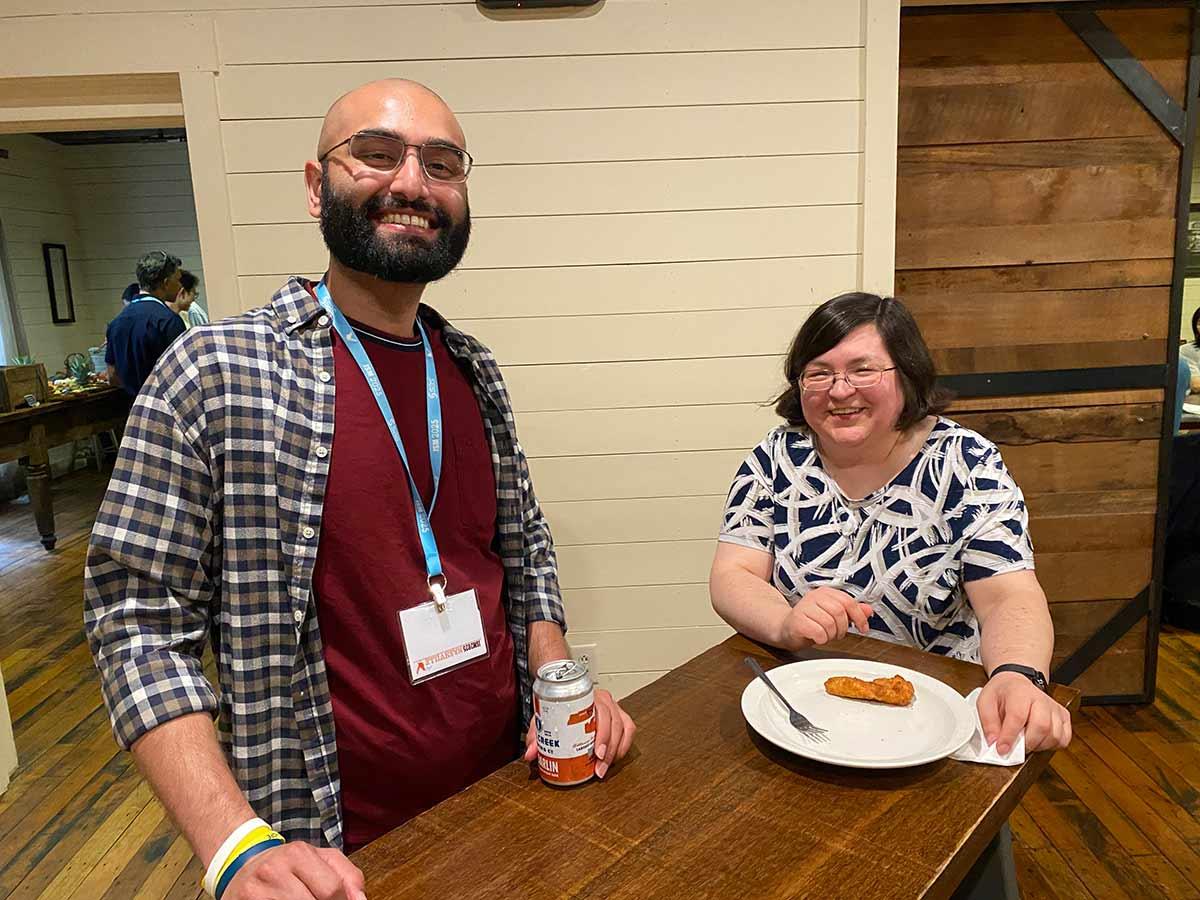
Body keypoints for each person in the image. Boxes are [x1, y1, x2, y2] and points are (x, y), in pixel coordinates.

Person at [85, 78, 635, 900]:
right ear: (317, 187)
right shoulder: (217, 374)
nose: (412, 183)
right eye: (377, 155)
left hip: (511, 801)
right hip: (337, 857)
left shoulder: (474, 371)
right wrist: (232, 844)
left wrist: (560, 687)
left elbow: (523, 548)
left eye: (442, 163)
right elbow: (137, 628)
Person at [710, 292, 1072, 757]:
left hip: (934, 713)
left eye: (863, 370)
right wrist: (784, 622)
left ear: (907, 374)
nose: (840, 391)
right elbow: (732, 574)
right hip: (806, 700)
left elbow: (1009, 595)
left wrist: (1018, 675)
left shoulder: (967, 464)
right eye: (818, 373)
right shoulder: (778, 457)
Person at [103, 251, 186, 396]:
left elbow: (112, 376)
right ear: (166, 283)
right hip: (165, 408)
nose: (180, 286)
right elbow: (183, 375)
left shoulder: (116, 324)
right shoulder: (168, 321)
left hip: (133, 410)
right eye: (178, 280)